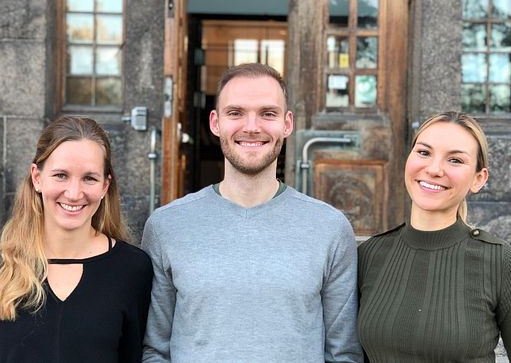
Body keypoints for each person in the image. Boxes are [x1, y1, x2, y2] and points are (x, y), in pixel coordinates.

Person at [141, 63, 363, 362]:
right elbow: (155, 349)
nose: (251, 127)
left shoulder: (330, 228)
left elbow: (343, 354)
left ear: (287, 124)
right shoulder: (167, 226)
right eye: (236, 113)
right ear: (215, 122)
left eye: (267, 113)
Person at [357, 111, 511, 362]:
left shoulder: (503, 264)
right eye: (424, 153)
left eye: (455, 160)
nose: (434, 169)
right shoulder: (369, 256)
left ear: (478, 179)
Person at [0, 117, 153, 363]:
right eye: (61, 175)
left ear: (105, 186)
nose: (74, 193)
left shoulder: (133, 269)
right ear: (37, 177)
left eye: (89, 178)